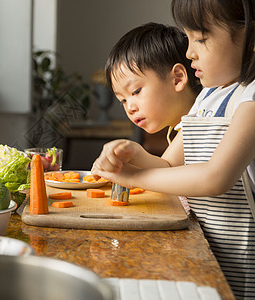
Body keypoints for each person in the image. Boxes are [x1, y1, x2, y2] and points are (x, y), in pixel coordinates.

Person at [92, 0, 255, 298]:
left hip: (244, 256)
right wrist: (133, 154)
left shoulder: (250, 97)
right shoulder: (206, 99)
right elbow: (168, 167)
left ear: (250, 36)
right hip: (209, 246)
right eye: (188, 38)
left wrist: (131, 177)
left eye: (201, 39)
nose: (190, 51)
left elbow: (214, 179)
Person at [104, 22, 201, 138]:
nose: (130, 108)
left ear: (177, 79)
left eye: (136, 91)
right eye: (123, 101)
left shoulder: (205, 122)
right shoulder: (181, 131)